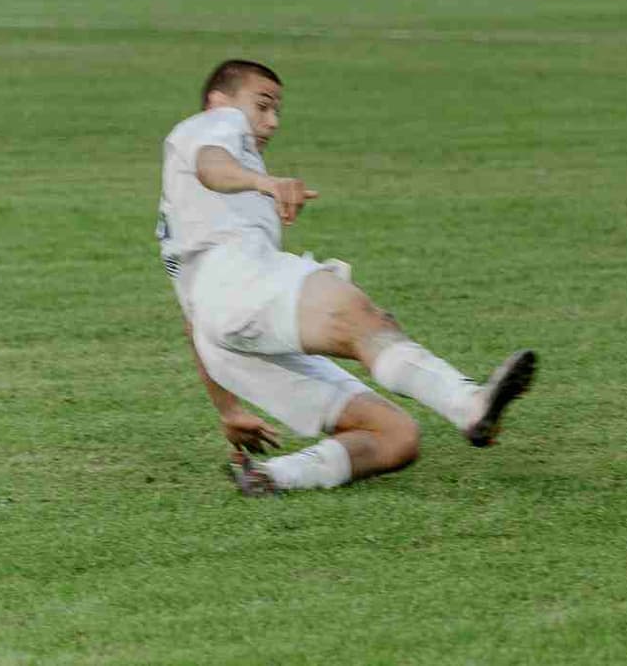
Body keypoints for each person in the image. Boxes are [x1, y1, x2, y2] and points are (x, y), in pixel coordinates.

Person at [159, 59, 537, 496]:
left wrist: (228, 410)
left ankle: (273, 476)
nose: (272, 121)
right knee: (362, 318)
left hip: (226, 339)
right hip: (239, 284)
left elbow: (194, 319)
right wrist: (263, 183)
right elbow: (212, 165)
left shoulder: (187, 216)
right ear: (218, 102)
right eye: (262, 106)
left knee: (396, 437)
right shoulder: (211, 126)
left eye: (277, 110)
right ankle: (470, 404)